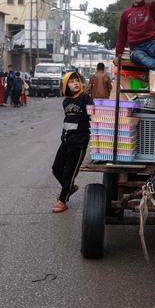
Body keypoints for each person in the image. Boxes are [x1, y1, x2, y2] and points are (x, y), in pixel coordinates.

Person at [51, 71, 93, 213]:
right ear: (65, 85)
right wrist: (64, 136)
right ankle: (69, 188)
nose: (75, 83)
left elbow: (93, 115)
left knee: (69, 173)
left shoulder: (85, 98)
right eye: (71, 81)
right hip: (66, 141)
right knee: (56, 168)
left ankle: (62, 200)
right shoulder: (66, 101)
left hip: (79, 144)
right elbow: (68, 121)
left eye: (77, 80)